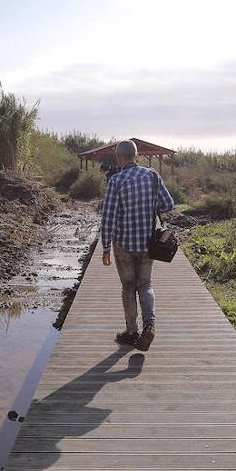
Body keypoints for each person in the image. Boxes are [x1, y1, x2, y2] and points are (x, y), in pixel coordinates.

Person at [100, 140, 175, 350]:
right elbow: (168, 204)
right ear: (137, 155)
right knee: (146, 285)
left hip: (123, 245)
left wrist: (106, 248)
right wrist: (150, 206)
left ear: (119, 158)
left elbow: (108, 218)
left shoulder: (116, 181)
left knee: (128, 287)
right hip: (147, 243)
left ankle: (132, 332)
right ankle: (149, 326)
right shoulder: (152, 175)